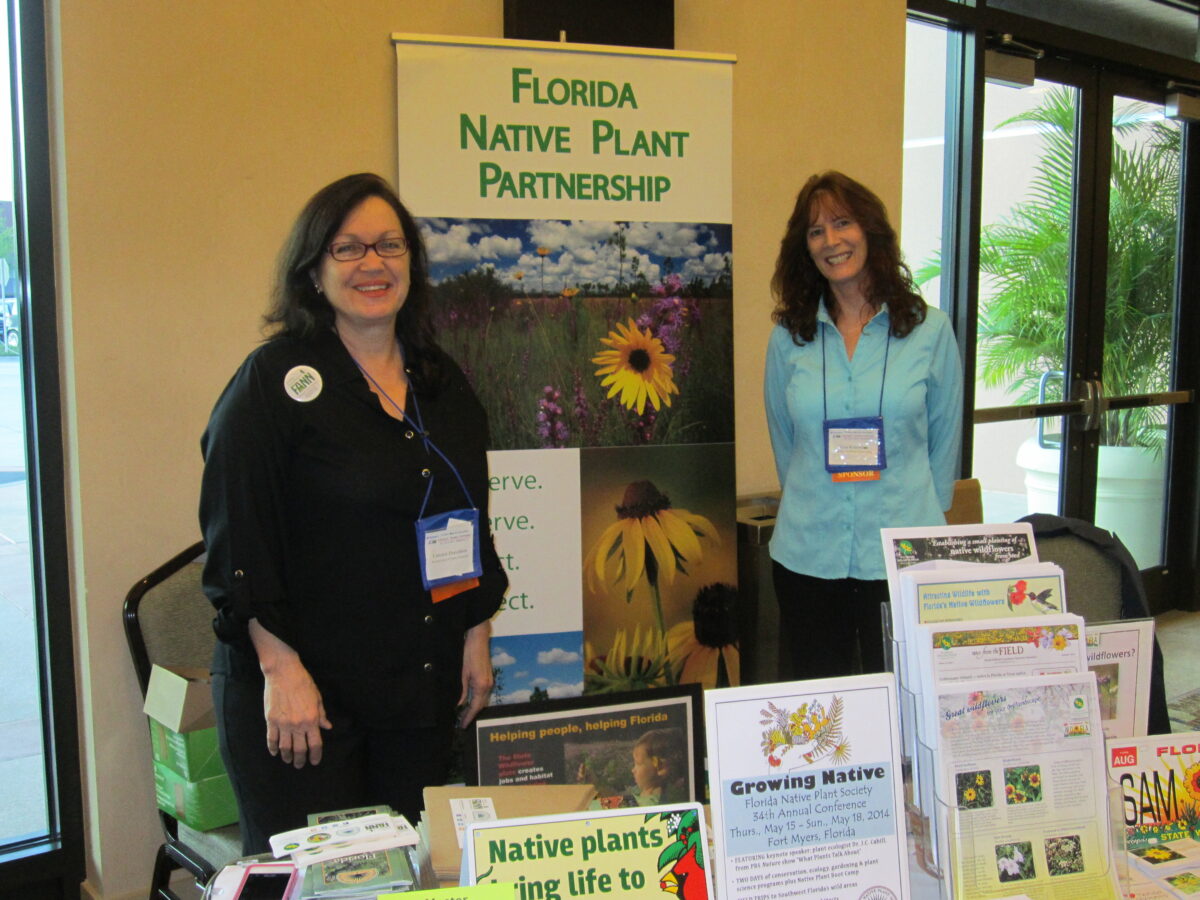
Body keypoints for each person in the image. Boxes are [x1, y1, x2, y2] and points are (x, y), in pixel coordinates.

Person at [200, 173, 507, 853]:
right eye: (348, 248)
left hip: (416, 689)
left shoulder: (441, 382)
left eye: (389, 246)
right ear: (314, 270)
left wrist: (475, 632)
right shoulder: (273, 383)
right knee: (314, 884)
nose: (373, 263)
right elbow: (238, 537)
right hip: (305, 699)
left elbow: (466, 514)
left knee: (409, 875)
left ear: (412, 263)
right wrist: (281, 671)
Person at [764, 171, 962, 679]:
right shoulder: (789, 337)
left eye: (842, 223)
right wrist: (814, 497)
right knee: (821, 708)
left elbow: (945, 440)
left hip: (903, 557)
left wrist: (926, 520)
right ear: (804, 249)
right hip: (809, 553)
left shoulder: (930, 330)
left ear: (870, 230)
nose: (831, 241)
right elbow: (785, 440)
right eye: (815, 231)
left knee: (905, 699)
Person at [629, 728, 689, 805]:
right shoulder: (642, 788)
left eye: (638, 763)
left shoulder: (655, 804)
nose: (633, 770)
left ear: (661, 768)